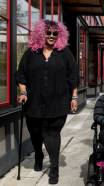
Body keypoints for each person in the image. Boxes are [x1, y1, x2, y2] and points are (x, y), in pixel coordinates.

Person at [14, 20, 79, 184]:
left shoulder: (64, 52)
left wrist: (75, 96)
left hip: (58, 102)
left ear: (59, 35)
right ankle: (38, 153)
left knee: (52, 133)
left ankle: (54, 168)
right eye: (48, 33)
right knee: (36, 134)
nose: (51, 36)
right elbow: (21, 74)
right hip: (34, 102)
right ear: (41, 34)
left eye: (54, 33)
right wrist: (23, 92)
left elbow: (73, 76)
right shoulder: (31, 53)